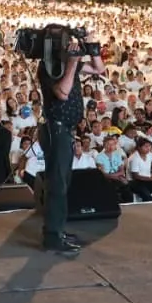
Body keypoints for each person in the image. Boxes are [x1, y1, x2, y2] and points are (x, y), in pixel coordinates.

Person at [39, 27, 104, 255]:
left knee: (63, 184)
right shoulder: (48, 66)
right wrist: (73, 64)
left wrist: (92, 45)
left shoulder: (69, 64)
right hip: (54, 130)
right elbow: (62, 92)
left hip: (66, 131)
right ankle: (53, 237)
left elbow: (99, 69)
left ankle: (59, 230)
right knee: (57, 185)